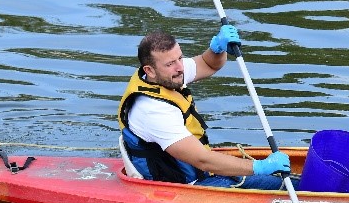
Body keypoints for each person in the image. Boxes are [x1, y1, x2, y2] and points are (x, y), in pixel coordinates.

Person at [118, 26, 288, 189]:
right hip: (183, 187)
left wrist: (217, 48)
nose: (180, 67)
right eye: (171, 63)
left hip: (199, 170)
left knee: (291, 182)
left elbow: (209, 64)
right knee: (287, 187)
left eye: (180, 58)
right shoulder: (153, 111)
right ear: (150, 70)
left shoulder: (166, 75)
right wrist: (259, 167)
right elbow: (203, 160)